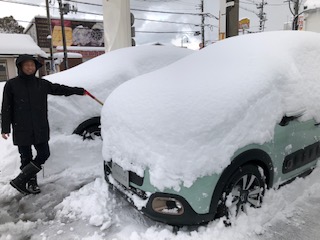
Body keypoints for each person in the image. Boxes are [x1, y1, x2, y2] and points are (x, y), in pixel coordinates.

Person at [1, 54, 86, 195]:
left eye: (32, 65)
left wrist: (78, 91)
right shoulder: (12, 85)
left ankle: (20, 180)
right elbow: (6, 107)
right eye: (26, 65)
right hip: (21, 127)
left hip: (40, 126)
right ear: (20, 67)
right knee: (25, 157)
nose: (30, 67)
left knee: (44, 153)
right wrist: (5, 127)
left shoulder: (41, 83)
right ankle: (31, 183)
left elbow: (59, 89)